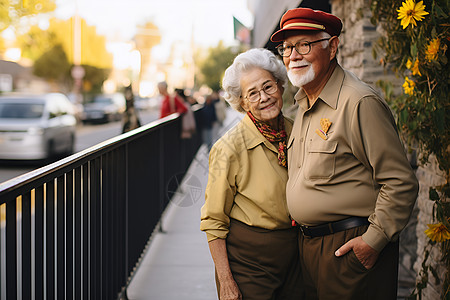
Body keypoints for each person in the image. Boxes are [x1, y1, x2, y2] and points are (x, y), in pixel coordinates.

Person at [271, 8, 419, 299]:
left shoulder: (358, 102)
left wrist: (372, 242)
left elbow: (401, 183)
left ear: (333, 46)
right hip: (311, 249)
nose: (293, 55)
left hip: (348, 248)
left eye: (304, 44)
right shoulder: (303, 104)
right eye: (287, 47)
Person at [200, 48, 303, 300]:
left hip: (296, 257)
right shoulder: (228, 148)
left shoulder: (298, 131)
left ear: (280, 86)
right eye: (252, 93)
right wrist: (226, 281)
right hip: (249, 264)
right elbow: (214, 221)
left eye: (268, 87)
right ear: (242, 102)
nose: (263, 97)